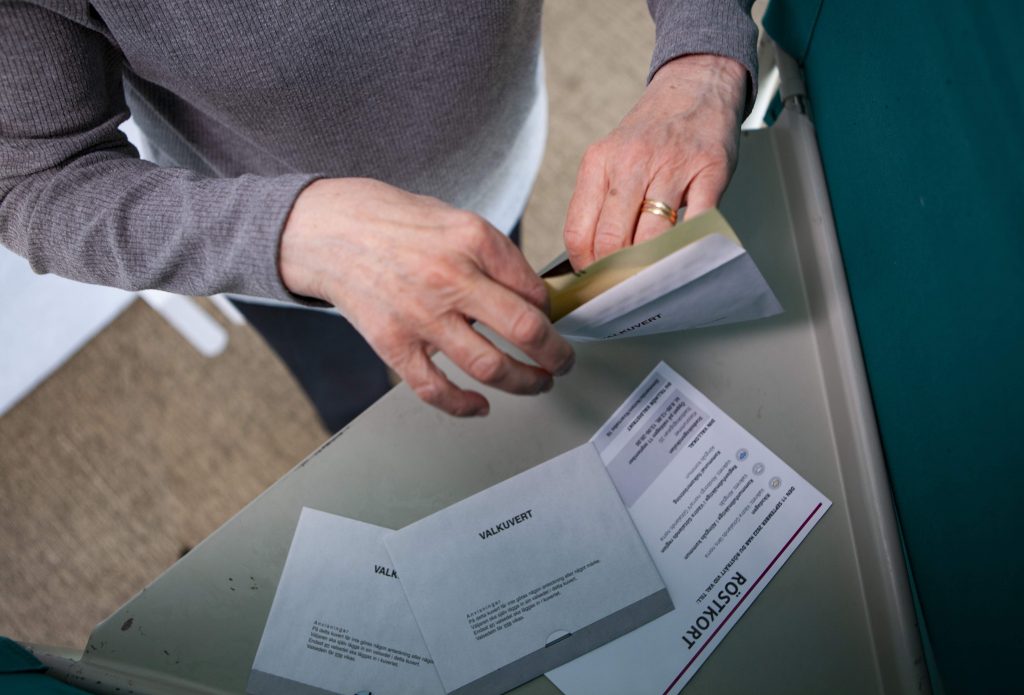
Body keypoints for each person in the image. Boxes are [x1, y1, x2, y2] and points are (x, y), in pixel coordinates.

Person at [0, 1, 756, 429]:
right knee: (366, 418)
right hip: (283, 253)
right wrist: (297, 232)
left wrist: (703, 56)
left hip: (498, 149)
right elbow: (37, 176)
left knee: (497, 349)